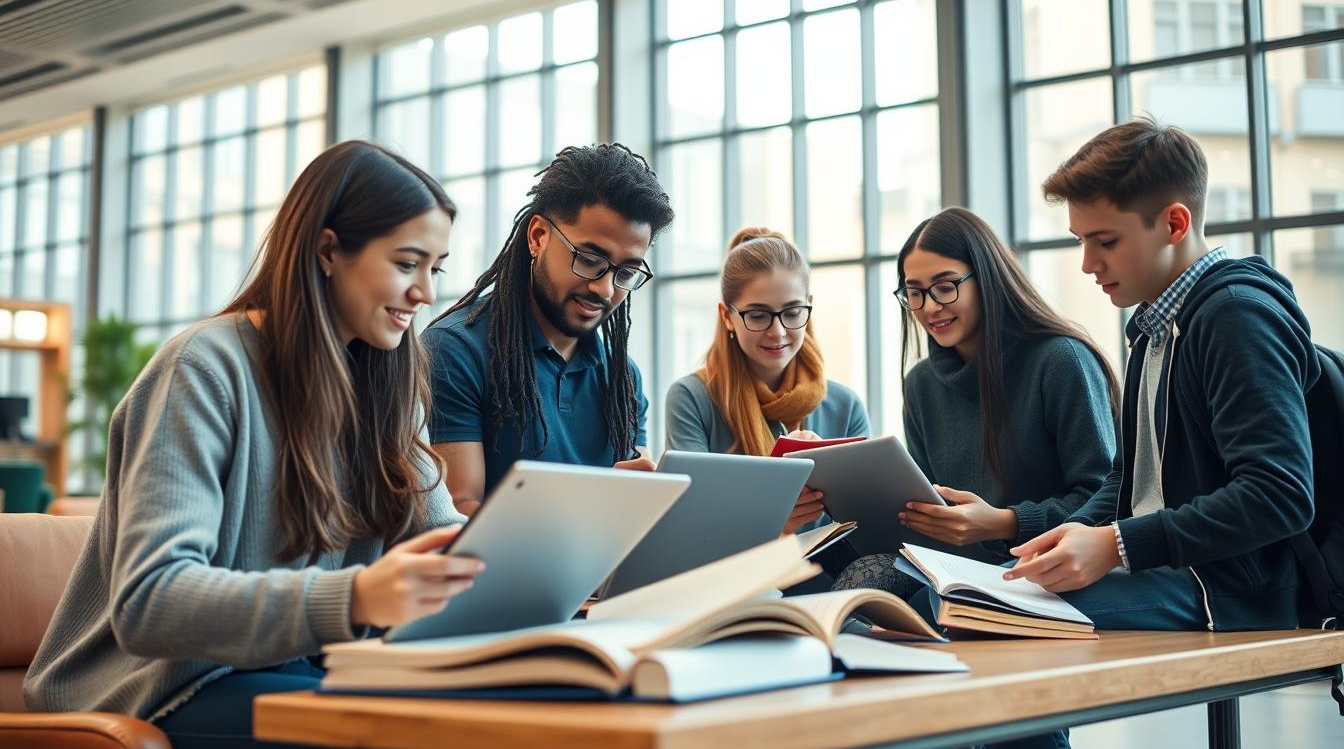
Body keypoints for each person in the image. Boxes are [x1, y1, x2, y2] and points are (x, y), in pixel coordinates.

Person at [23, 141, 484, 749]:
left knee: (519, 719)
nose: (426, 293)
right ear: (328, 251)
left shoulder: (389, 389)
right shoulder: (203, 370)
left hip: (301, 671)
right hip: (163, 688)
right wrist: (357, 597)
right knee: (417, 743)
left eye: (437, 269)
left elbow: (444, 539)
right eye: (407, 264)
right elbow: (150, 600)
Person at [972, 119, 1318, 749]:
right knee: (974, 607)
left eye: (1104, 241)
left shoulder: (1236, 315)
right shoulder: (1153, 325)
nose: (1087, 264)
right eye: (1080, 241)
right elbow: (1130, 480)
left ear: (1174, 224)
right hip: (1171, 568)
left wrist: (1118, 544)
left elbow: (1280, 495)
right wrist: (1065, 537)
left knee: (1001, 639)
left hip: (1232, 587)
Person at [832, 207, 1119, 595]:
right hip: (954, 566)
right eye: (914, 293)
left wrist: (1004, 522)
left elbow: (1105, 500)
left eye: (945, 286)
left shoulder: (1060, 361)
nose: (930, 307)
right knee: (855, 579)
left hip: (1043, 569)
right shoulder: (921, 385)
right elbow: (927, 506)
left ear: (986, 279)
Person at [422, 144, 674, 516]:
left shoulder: (624, 378)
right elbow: (458, 518)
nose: (604, 289)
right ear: (538, 236)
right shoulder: (453, 350)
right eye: (589, 260)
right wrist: (596, 512)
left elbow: (631, 510)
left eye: (626, 273)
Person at [664, 227, 870, 536]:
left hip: (836, 579)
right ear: (727, 316)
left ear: (809, 306)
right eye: (758, 316)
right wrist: (773, 523)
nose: (778, 332)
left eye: (792, 312)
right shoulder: (691, 399)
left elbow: (864, 524)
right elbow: (693, 528)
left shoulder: (845, 406)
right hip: (738, 579)